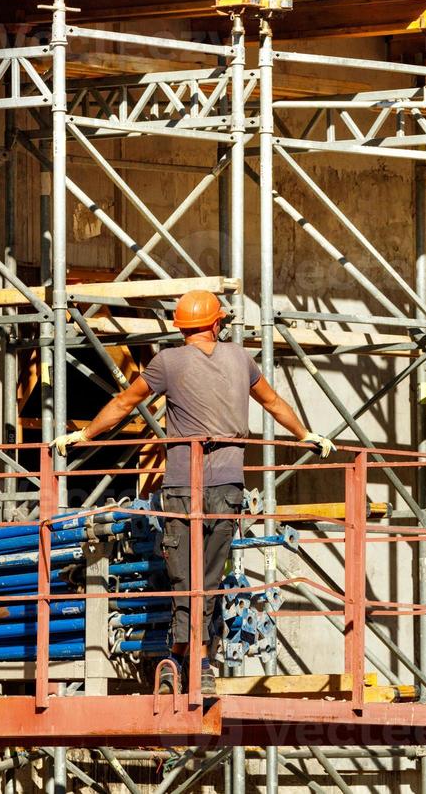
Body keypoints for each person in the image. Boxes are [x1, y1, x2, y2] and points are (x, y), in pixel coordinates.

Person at [53, 289, 335, 695]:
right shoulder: (241, 358)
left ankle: (183, 658)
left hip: (184, 487)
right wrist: (306, 434)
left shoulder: (167, 362)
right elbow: (272, 402)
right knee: (207, 576)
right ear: (217, 323)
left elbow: (123, 404)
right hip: (228, 486)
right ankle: (194, 661)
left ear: (182, 328)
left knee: (185, 577)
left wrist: (83, 435)